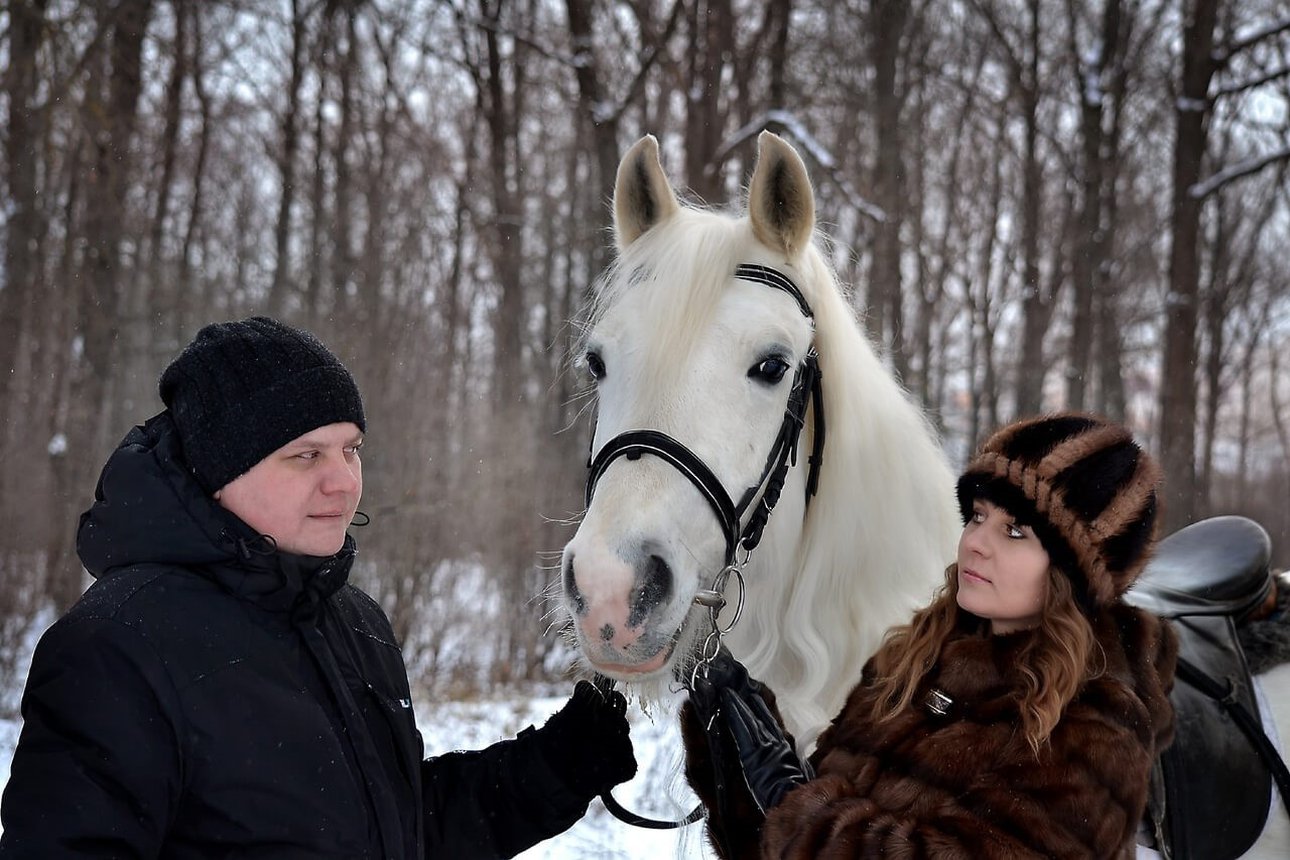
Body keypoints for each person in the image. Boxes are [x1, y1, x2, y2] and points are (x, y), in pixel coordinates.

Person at [0, 316, 636, 859]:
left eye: (350, 450)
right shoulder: (117, 647)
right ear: (221, 471)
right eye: (306, 456)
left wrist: (557, 765)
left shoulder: (353, 622)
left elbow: (398, 832)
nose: (344, 482)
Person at [683, 412, 1178, 859]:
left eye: (1015, 532)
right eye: (979, 516)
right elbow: (788, 839)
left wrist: (789, 801)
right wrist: (734, 763)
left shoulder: (1095, 725)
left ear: (1073, 573)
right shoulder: (914, 659)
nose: (976, 543)